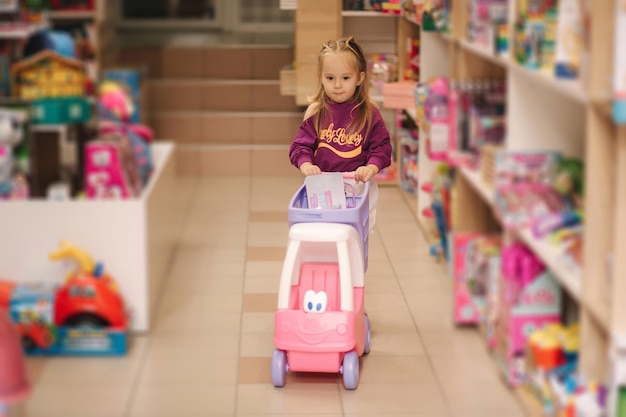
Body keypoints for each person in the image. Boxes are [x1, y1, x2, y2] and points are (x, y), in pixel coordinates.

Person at [288, 36, 392, 184]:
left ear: (359, 78)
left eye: (345, 78)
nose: (337, 85)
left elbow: (382, 147)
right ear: (321, 77)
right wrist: (306, 164)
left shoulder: (369, 112)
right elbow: (300, 146)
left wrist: (371, 167)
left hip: (358, 187)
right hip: (323, 187)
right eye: (330, 78)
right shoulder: (315, 112)